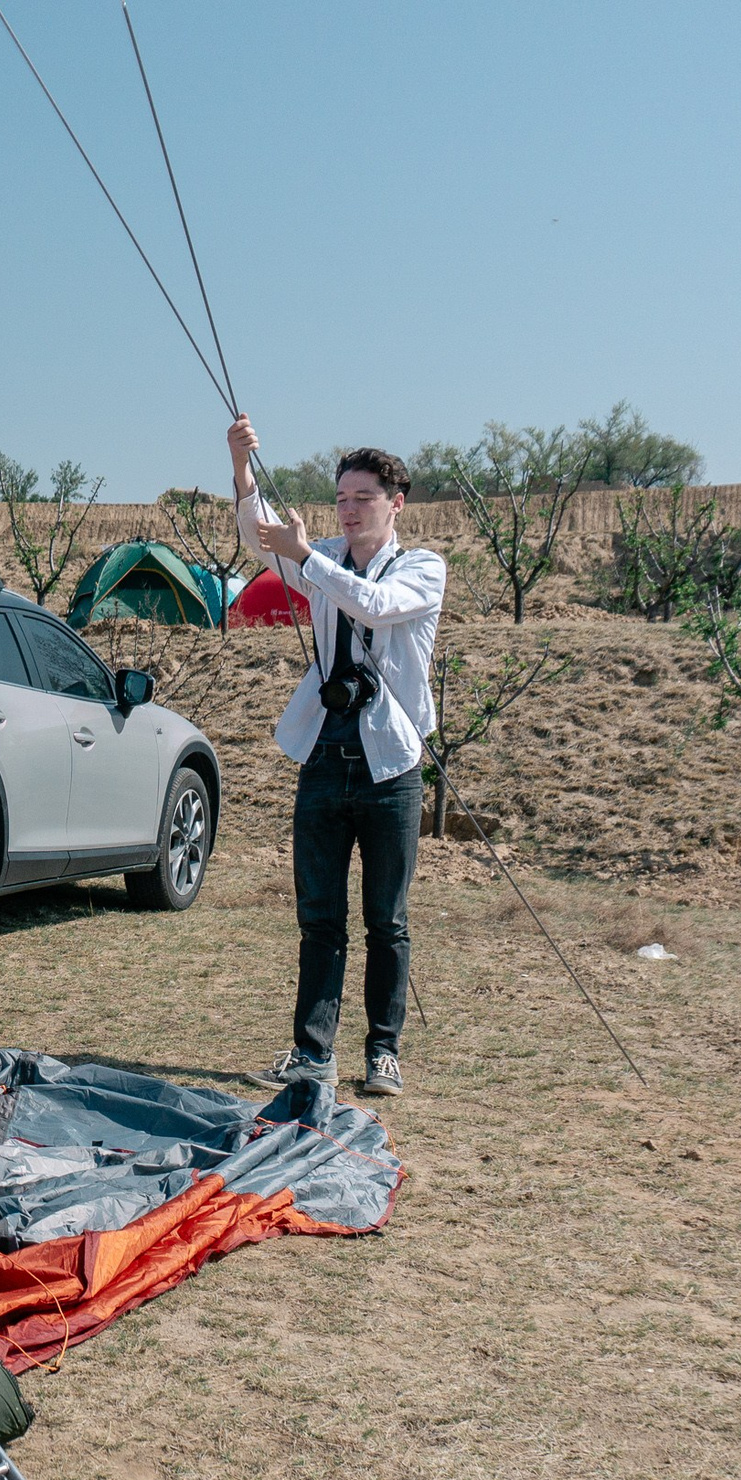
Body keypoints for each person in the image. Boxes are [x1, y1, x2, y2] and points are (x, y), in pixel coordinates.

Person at [228, 415, 445, 1098]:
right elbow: (259, 536)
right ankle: (312, 1052)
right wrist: (241, 467)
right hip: (324, 755)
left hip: (390, 767)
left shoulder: (423, 568)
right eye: (342, 498)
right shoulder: (320, 553)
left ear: (396, 503)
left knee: (388, 920)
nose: (348, 511)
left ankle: (383, 1052)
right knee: (319, 917)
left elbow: (375, 606)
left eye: (363, 499)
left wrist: (309, 560)